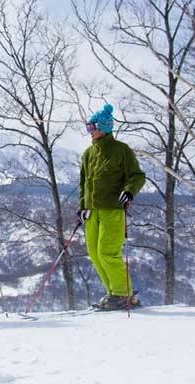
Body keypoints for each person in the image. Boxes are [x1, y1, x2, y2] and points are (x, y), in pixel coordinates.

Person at [78, 104, 146, 310]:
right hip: (91, 211)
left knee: (108, 251)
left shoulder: (121, 150)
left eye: (91, 127)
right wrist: (82, 207)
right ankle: (114, 293)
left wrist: (130, 190)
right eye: (87, 127)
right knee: (95, 254)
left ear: (104, 127)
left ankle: (123, 293)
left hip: (112, 209)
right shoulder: (88, 153)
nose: (89, 131)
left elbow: (137, 176)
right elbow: (84, 183)